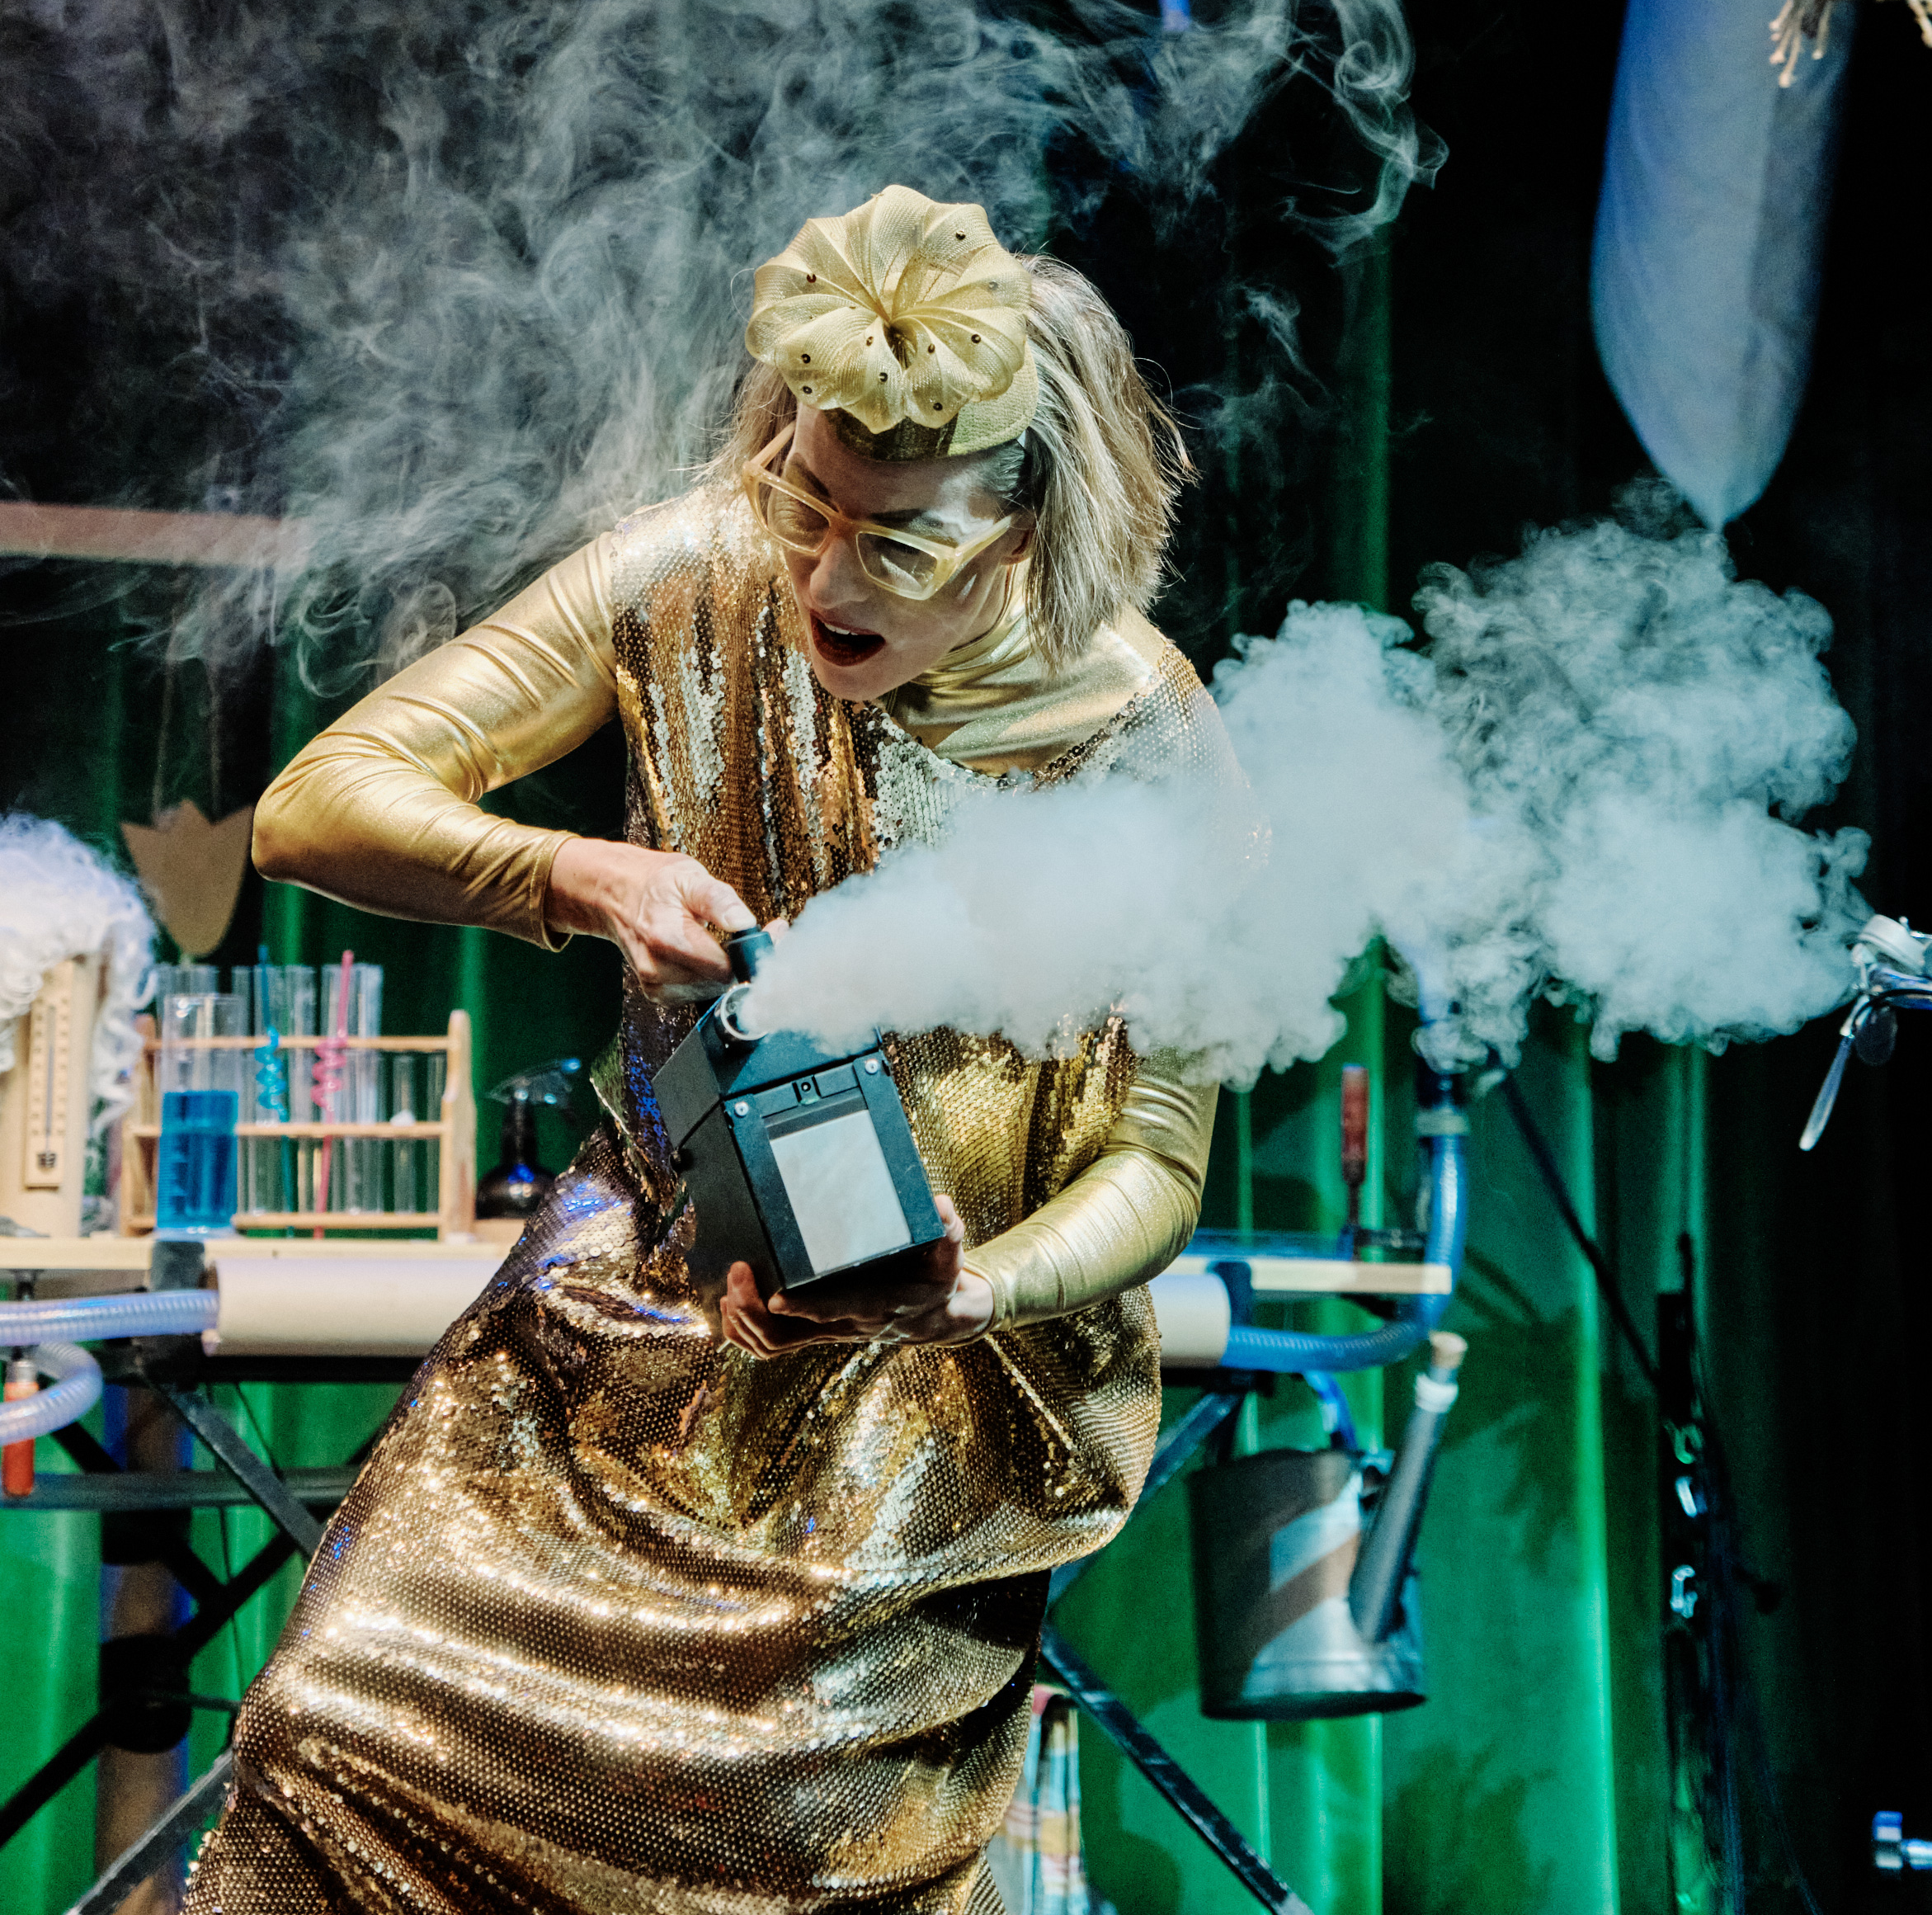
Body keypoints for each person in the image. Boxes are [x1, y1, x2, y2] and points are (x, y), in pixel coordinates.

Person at [186, 184, 1235, 1915]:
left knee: (784, 1850)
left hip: (916, 1414)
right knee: (334, 1723)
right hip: (618, 1344)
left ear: (1032, 524)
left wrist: (974, 1288)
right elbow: (313, 808)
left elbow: (1161, 1157)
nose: (824, 574)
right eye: (806, 503)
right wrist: (575, 875)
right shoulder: (689, 574)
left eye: (899, 543)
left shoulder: (1148, 735)